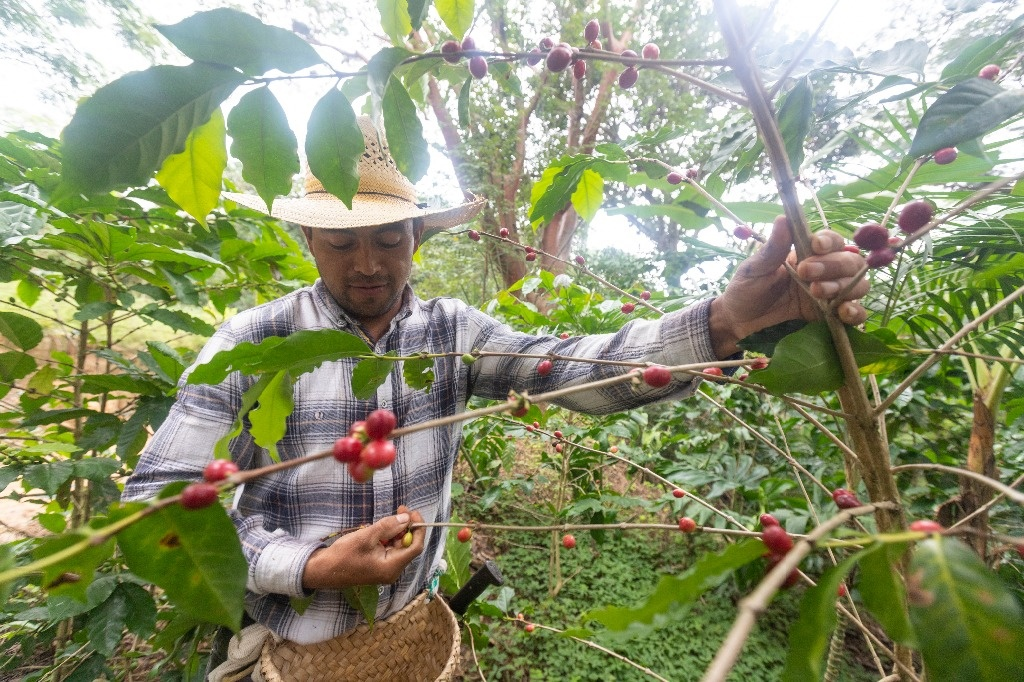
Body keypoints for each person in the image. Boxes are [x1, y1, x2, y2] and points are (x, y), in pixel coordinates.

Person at [122, 115, 868, 674]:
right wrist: (306, 566)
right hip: (293, 650)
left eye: (389, 239)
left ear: (420, 237)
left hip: (411, 642)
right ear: (308, 244)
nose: (370, 264)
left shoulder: (451, 333)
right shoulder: (255, 343)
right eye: (343, 242)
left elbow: (580, 369)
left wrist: (725, 322)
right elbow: (160, 502)